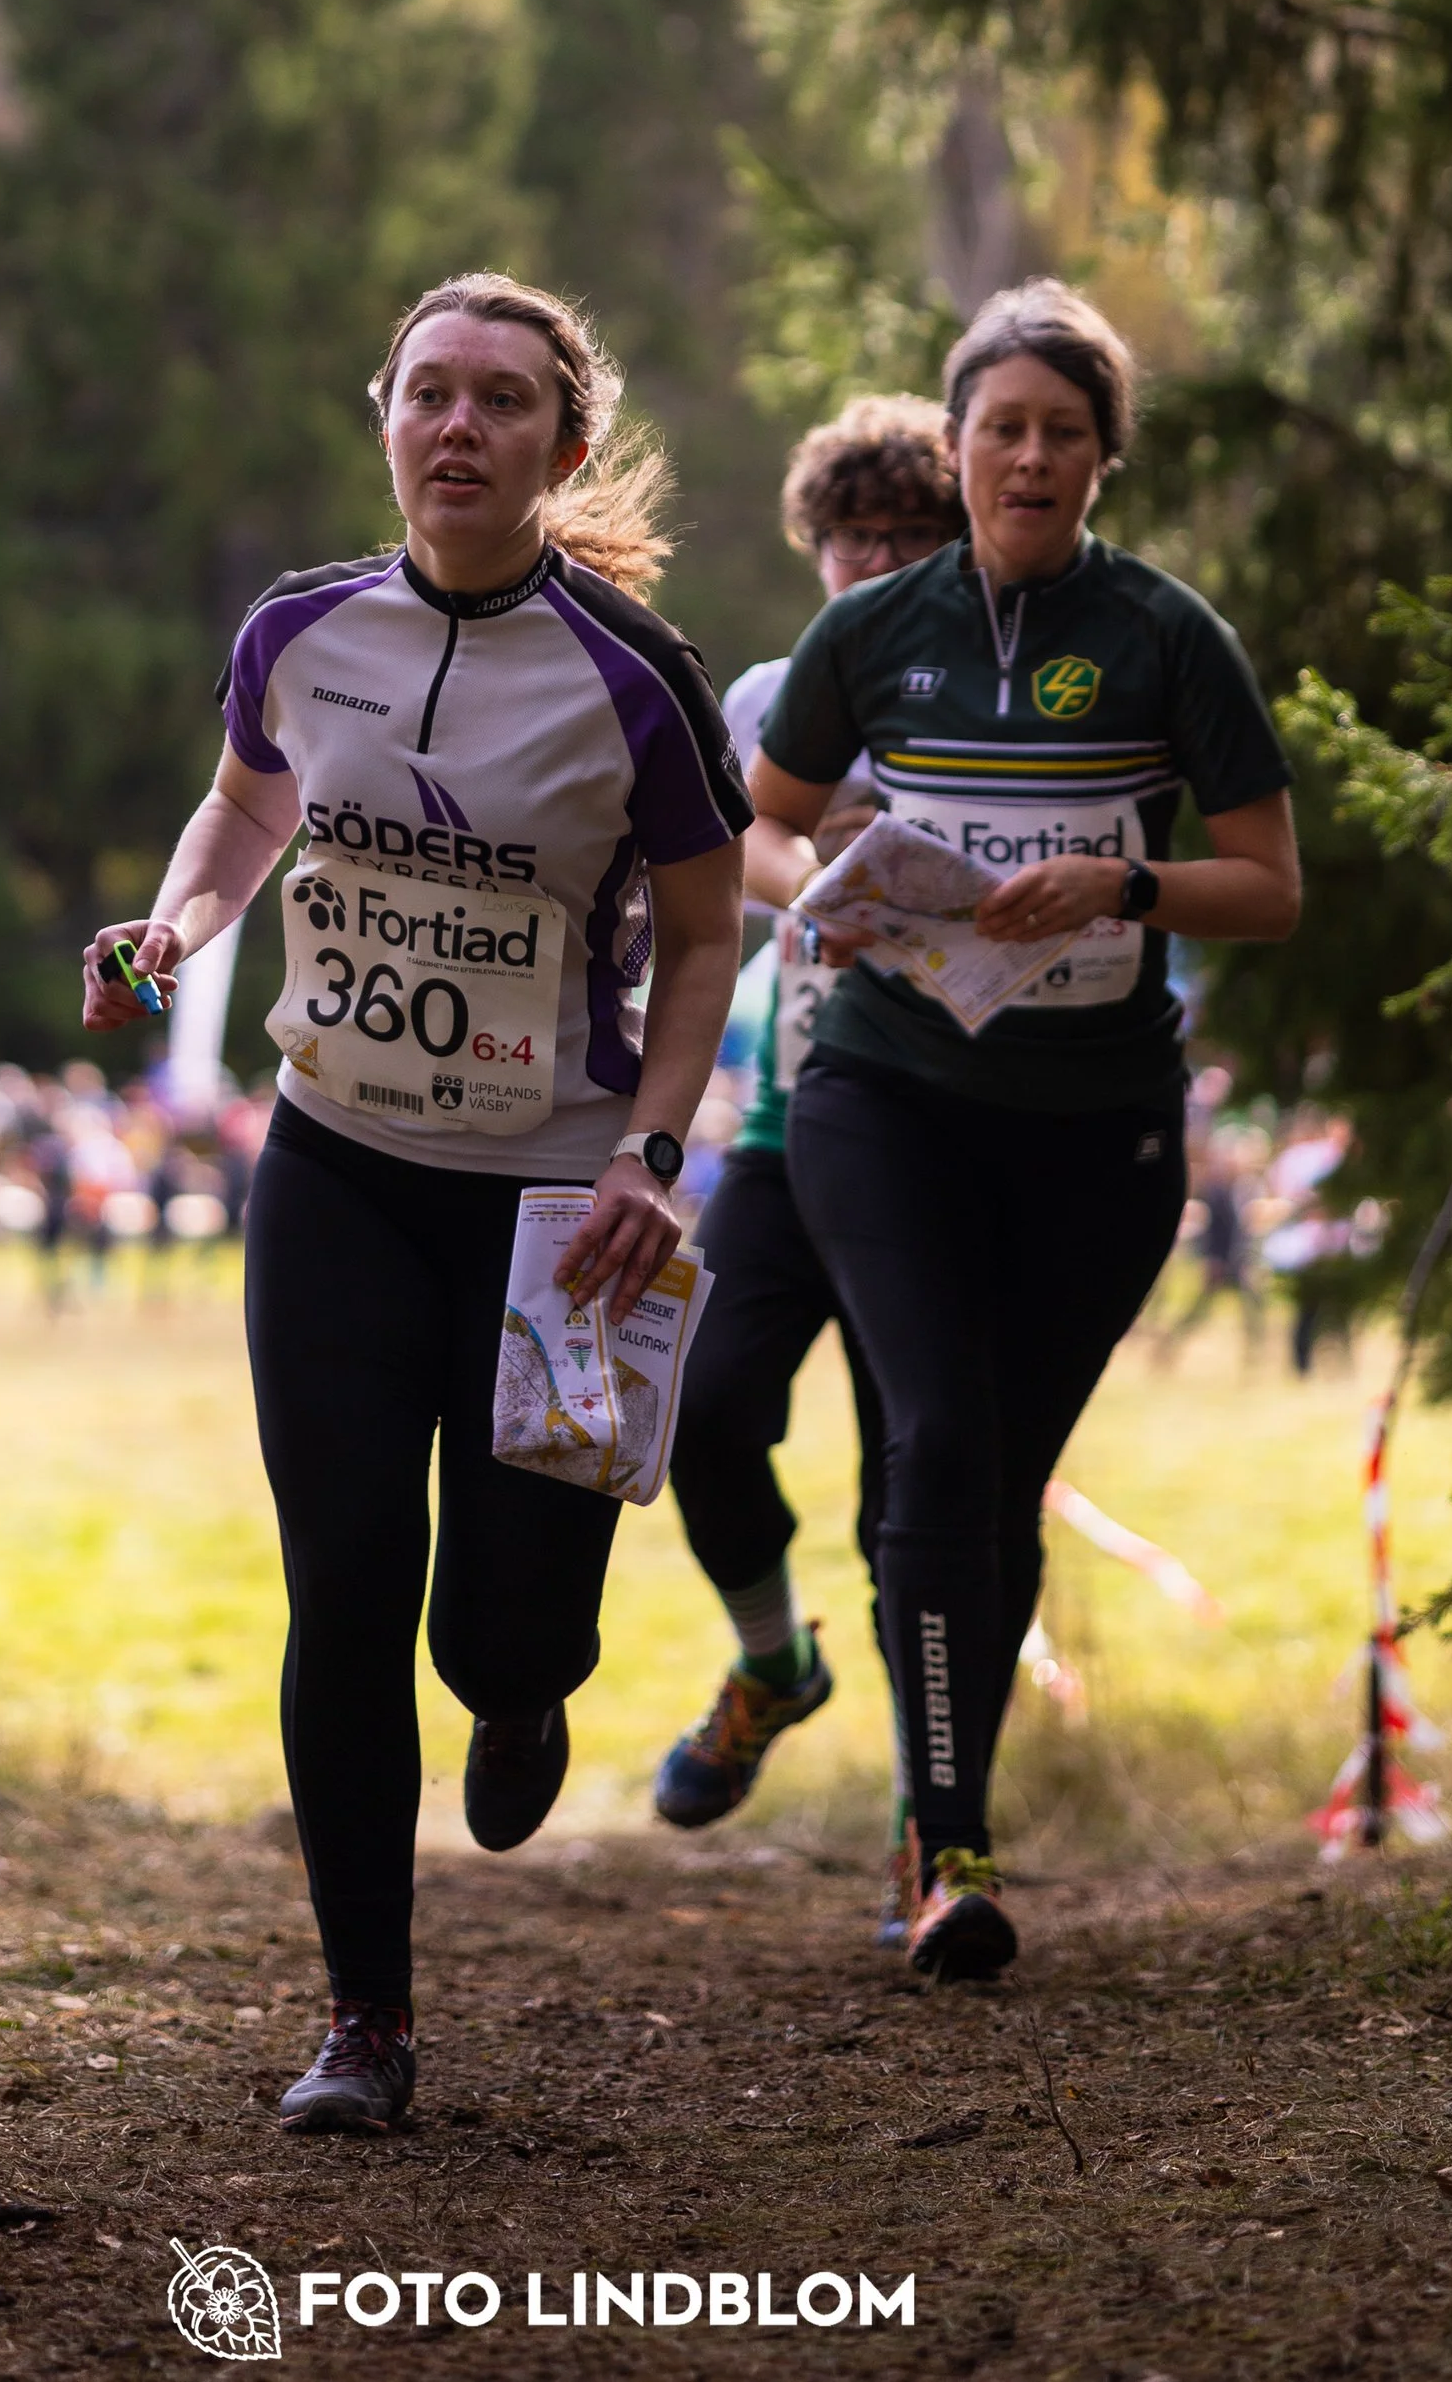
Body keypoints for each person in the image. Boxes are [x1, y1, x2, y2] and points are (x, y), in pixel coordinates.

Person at [84, 272, 748, 2133]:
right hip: (341, 1176)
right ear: (385, 418)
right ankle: (363, 2019)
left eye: (504, 402)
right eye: (430, 394)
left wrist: (652, 1152)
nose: (460, 427)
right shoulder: (302, 630)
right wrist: (180, 922)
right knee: (348, 1589)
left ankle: (528, 1692)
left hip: (560, 1207)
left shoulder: (633, 677)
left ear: (565, 445)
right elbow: (242, 812)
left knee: (496, 1637)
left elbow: (708, 937)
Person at [752, 282, 1300, 1980]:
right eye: (1004, 426)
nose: (1033, 455)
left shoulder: (1164, 638)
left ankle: (942, 1810)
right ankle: (949, 1844)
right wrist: (829, 899)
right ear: (959, 444)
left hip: (1097, 1125)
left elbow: (1271, 889)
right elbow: (762, 833)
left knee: (999, 1479)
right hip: (886, 1092)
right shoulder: (872, 634)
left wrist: (1124, 880)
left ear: (1104, 457)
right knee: (931, 1433)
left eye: (1066, 429)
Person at [653, 399, 964, 1887]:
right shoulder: (773, 693)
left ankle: (933, 1813)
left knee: (920, 1479)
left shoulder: (986, 693)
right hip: (790, 1114)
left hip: (958, 1125)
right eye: (855, 538)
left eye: (913, 539)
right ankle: (773, 1663)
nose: (879, 563)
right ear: (815, 544)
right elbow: (719, 868)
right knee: (704, 1403)